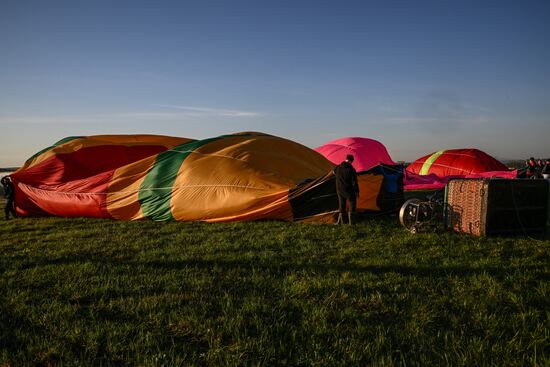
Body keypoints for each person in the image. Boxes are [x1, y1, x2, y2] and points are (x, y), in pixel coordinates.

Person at [334, 154, 359, 225]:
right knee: (352, 204)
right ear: (352, 161)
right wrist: (357, 191)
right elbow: (354, 182)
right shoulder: (352, 170)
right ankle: (351, 223)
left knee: (342, 205)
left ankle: (343, 222)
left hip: (339, 190)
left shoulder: (338, 167)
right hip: (349, 190)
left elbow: (333, 173)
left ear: (346, 159)